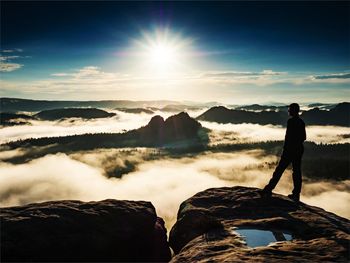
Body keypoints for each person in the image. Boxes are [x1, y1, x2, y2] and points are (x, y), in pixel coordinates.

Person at [260, 103, 306, 202]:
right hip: (298, 150)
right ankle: (296, 195)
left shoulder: (291, 121)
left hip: (290, 150)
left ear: (293, 110)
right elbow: (303, 137)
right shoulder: (301, 122)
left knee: (279, 170)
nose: (288, 111)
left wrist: (288, 148)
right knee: (296, 172)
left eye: (289, 109)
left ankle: (268, 189)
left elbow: (289, 138)